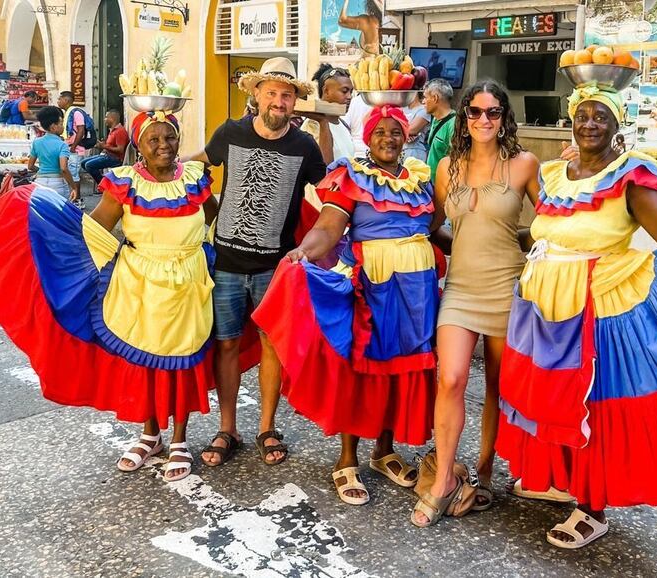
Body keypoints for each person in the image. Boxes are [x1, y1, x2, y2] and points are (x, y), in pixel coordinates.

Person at [495, 82, 657, 548]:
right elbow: (543, 232)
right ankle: (558, 479)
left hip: (597, 305)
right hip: (542, 304)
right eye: (583, 114)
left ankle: (591, 508)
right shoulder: (553, 174)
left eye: (601, 115)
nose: (590, 122)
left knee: (589, 404)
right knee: (548, 396)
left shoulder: (630, 177)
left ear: (617, 125)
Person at [0, 109, 219, 483]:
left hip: (189, 283)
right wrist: (41, 216)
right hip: (139, 283)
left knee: (182, 361)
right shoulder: (123, 183)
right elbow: (92, 231)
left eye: (169, 137)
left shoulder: (195, 179)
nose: (163, 145)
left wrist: (201, 257)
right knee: (144, 362)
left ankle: (179, 440)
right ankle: (149, 434)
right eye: (152, 139)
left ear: (179, 139)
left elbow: (213, 219)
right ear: (138, 145)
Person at [253, 105, 441, 505]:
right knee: (362, 369)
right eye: (380, 132)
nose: (389, 138)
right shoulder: (352, 175)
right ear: (367, 138)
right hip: (374, 285)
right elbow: (328, 227)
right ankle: (346, 459)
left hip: (418, 290)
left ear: (406, 136)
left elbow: (434, 229)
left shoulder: (421, 180)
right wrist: (303, 251)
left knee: (400, 369)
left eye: (396, 132)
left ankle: (384, 451)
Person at [411, 80, 542, 527]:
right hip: (461, 289)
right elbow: (431, 225)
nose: (484, 120)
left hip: (507, 286)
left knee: (497, 388)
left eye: (493, 112)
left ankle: (484, 472)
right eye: (475, 112)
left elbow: (550, 226)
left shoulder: (524, 164)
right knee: (450, 378)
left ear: (505, 118)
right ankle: (445, 478)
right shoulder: (447, 166)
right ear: (464, 117)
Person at [185, 57, 327, 468]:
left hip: (275, 267)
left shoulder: (304, 145)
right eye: (272, 93)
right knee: (226, 345)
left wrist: (328, 125)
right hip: (226, 262)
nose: (279, 101)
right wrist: (158, 175)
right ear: (257, 95)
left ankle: (267, 427)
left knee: (272, 346)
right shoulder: (230, 132)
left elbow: (329, 181)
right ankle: (227, 428)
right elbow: (198, 163)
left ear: (294, 102)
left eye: (287, 95)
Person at [301, 64, 355, 163]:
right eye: (344, 91)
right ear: (326, 91)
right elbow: (323, 167)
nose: (349, 97)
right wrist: (323, 122)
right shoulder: (312, 125)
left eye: (351, 92)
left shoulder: (343, 124)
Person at [27, 106, 78, 201]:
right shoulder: (62, 145)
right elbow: (63, 168)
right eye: (61, 124)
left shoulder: (37, 142)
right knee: (59, 214)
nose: (63, 127)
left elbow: (30, 166)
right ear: (53, 127)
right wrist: (74, 187)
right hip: (58, 184)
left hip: (39, 183)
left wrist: (42, 170)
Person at [58, 91, 91, 210]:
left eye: (59, 99)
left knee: (74, 175)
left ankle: (77, 200)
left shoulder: (76, 113)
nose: (58, 101)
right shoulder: (68, 113)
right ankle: (75, 198)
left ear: (66, 100)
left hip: (75, 149)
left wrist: (73, 147)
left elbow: (81, 131)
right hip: (70, 147)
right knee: (71, 174)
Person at [80, 109, 129, 186]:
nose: (104, 119)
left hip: (115, 159)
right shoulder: (112, 130)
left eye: (106, 117)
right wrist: (102, 146)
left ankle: (104, 185)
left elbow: (120, 149)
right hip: (107, 155)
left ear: (112, 119)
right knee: (83, 163)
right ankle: (105, 181)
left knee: (89, 165)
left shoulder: (120, 131)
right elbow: (110, 146)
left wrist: (104, 146)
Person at [423, 79, 456, 183]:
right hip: (431, 185)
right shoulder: (435, 119)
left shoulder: (454, 124)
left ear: (435, 98)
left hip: (444, 186)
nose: (423, 101)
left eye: (425, 97)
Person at [402, 91, 430, 161]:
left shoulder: (424, 110)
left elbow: (412, 130)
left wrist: (395, 130)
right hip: (400, 151)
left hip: (415, 152)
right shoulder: (402, 109)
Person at [343, 94, 373, 158]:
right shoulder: (354, 102)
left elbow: (344, 128)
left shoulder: (354, 102)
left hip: (357, 154)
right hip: (359, 155)